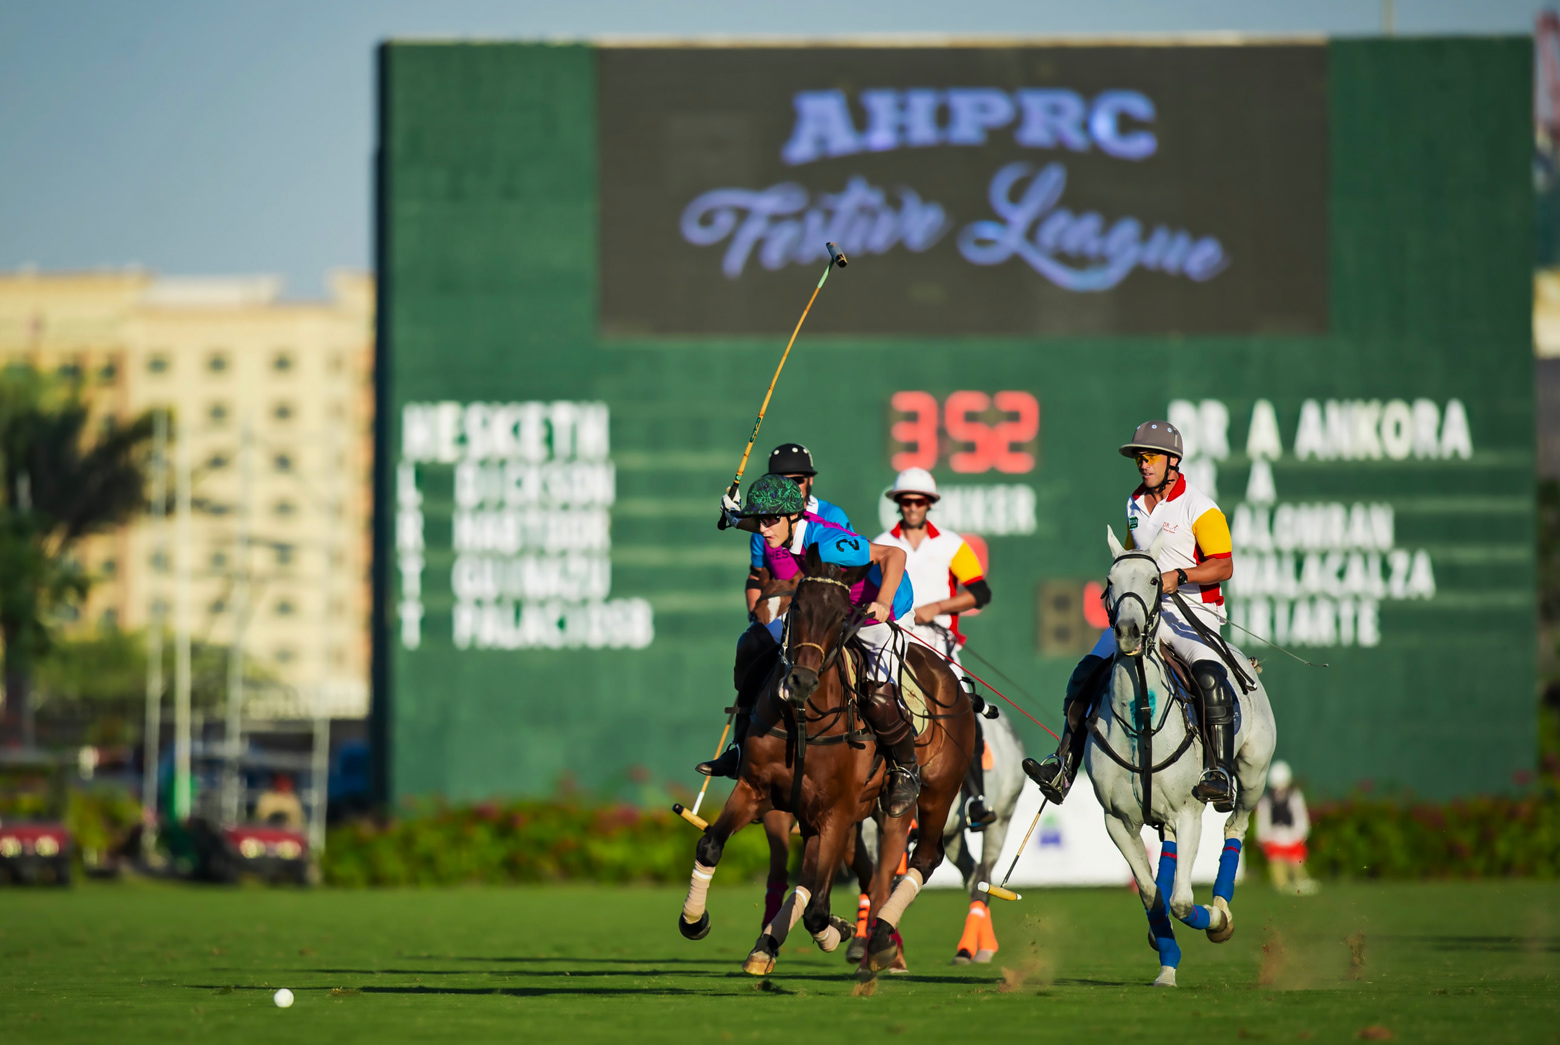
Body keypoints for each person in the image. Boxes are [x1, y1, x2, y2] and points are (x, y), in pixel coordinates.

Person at [1023, 420, 1241, 811]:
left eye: (1151, 456)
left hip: (1192, 615)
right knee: (1085, 673)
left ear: (1173, 461)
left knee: (1210, 678)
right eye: (1140, 458)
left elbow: (1223, 566)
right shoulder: (1134, 504)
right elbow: (1131, 559)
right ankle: (1064, 765)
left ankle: (1219, 772)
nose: (1143, 464)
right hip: (1145, 615)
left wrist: (1179, 576)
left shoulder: (1201, 508)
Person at [703, 473, 923, 817]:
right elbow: (765, 525)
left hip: (882, 612)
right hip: (833, 612)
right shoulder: (787, 530)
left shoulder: (828, 542)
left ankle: (906, 768)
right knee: (755, 642)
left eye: (770, 520)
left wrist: (883, 601)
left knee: (878, 693)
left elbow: (893, 555)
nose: (762, 529)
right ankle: (740, 747)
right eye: (760, 520)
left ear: (793, 517)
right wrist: (733, 518)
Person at [873, 467, 996, 829]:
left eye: (919, 501)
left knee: (965, 711)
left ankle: (975, 796)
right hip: (895, 639)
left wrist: (936, 608)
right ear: (898, 503)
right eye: (906, 501)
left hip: (940, 642)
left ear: (929, 504)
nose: (912, 507)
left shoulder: (951, 545)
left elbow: (980, 593)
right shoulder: (881, 541)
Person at [744, 443, 852, 619]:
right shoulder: (764, 525)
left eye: (796, 480)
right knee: (749, 644)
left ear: (810, 480)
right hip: (780, 616)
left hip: (825, 617)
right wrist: (755, 616)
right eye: (781, 480)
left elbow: (850, 571)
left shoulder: (832, 516)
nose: (789, 488)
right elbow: (756, 576)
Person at [1255, 760, 1318, 895]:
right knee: (1278, 871)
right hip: (1275, 840)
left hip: (1292, 838)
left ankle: (1300, 882)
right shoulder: (1266, 800)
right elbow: (1263, 821)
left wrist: (1298, 835)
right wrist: (1265, 837)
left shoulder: (1294, 797)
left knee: (1297, 867)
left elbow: (1301, 819)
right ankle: (1283, 885)